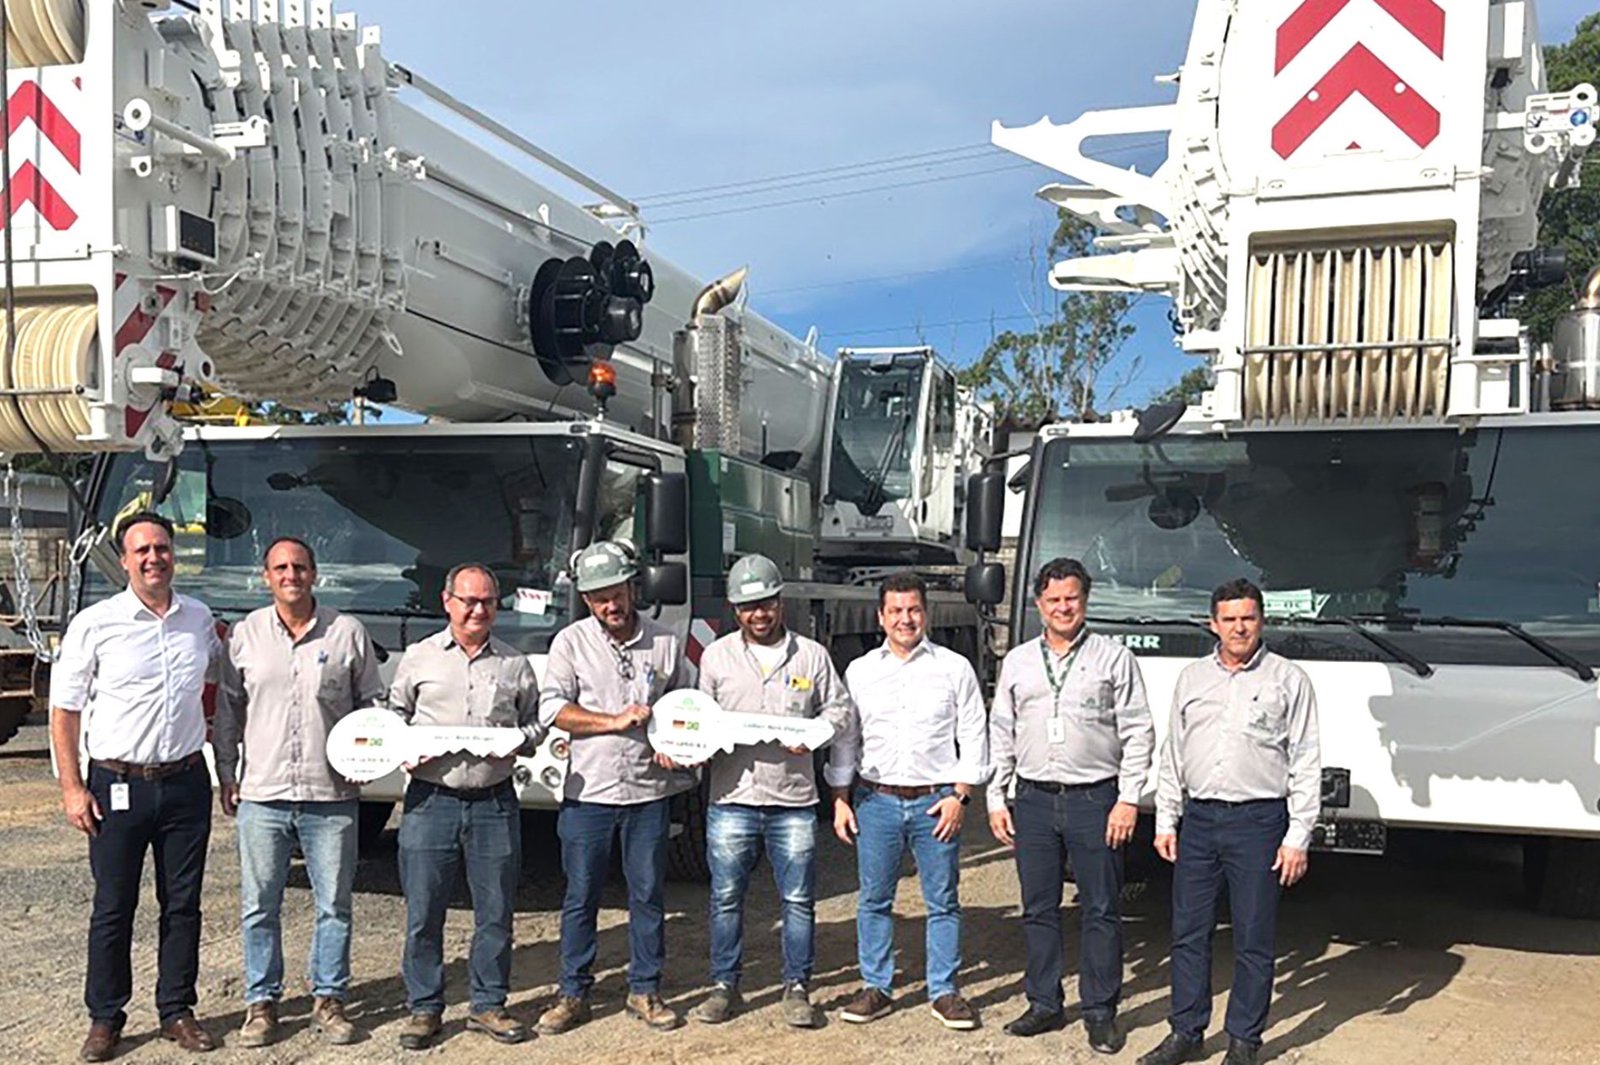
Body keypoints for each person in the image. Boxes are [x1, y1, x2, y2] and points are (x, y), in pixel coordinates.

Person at [49, 513, 225, 1061]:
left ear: (175, 555)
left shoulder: (199, 618)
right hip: (116, 785)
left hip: (186, 783)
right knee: (113, 906)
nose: (154, 558)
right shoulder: (96, 624)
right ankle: (106, 1017)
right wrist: (73, 788)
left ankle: (176, 1010)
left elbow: (217, 682)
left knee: (183, 905)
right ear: (124, 561)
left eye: (162, 548)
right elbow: (64, 710)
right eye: (142, 550)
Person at [1139, 578, 1321, 1065]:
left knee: (1253, 937)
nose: (1239, 628)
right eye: (1229, 619)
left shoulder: (1288, 680)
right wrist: (1166, 820)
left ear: (1262, 621)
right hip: (1199, 821)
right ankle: (1186, 1031)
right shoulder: (1192, 678)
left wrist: (1298, 836)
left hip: (1258, 823)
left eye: (1248, 618)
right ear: (1213, 624)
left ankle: (1244, 1040)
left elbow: (1306, 760)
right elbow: (1174, 753)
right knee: (1189, 932)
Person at [213, 537, 384, 1047]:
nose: (291, 575)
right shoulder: (244, 635)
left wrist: (366, 759)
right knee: (259, 906)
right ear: (266, 576)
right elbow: (228, 710)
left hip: (330, 795)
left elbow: (371, 706)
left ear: (315, 574)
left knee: (334, 905)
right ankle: (261, 1003)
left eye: (300, 567)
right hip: (262, 794)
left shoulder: (348, 632)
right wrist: (227, 773)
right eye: (281, 567)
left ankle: (329, 1000)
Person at [987, 557, 1154, 1054]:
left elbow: (1139, 732)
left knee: (1101, 908)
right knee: (1039, 907)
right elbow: (1002, 731)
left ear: (1085, 601)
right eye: (1054, 599)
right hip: (1033, 800)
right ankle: (1044, 1002)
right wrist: (996, 797)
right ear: (1039, 604)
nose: (1063, 607)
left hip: (1095, 801)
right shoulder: (1018, 661)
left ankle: (1100, 1011)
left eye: (1072, 598)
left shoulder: (1114, 658)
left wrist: (1128, 799)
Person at [536, 540, 695, 1036]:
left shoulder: (665, 642)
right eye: (600, 597)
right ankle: (573, 993)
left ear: (633, 588)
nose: (611, 605)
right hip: (589, 793)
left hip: (648, 793)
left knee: (647, 894)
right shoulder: (570, 643)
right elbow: (552, 709)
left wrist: (678, 745)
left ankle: (645, 990)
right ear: (586, 600)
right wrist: (612, 721)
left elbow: (688, 705)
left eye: (618, 593)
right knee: (581, 895)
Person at [689, 554, 853, 1029]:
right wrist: (694, 747)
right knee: (725, 897)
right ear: (735, 609)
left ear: (780, 602)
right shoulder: (716, 657)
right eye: (748, 607)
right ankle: (724, 985)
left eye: (766, 604)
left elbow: (840, 710)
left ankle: (797, 986)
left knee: (798, 900)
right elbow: (699, 718)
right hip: (732, 797)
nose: (758, 614)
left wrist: (816, 733)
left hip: (793, 800)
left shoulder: (811, 656)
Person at [388, 562, 544, 1051]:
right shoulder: (419, 658)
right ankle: (424, 1008)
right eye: (469, 601)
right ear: (447, 601)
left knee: (495, 912)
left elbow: (536, 725)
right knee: (424, 910)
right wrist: (404, 748)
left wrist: (519, 740)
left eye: (488, 602)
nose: (478, 610)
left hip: (494, 802)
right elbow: (392, 717)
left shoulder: (515, 664)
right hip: (430, 800)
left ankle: (488, 1004)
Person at [828, 571, 990, 1030]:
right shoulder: (860, 671)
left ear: (926, 614)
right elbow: (846, 741)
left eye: (914, 609)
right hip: (875, 802)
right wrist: (840, 799)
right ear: (880, 617)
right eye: (896, 610)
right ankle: (876, 987)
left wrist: (961, 796)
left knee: (942, 901)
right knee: (874, 899)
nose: (905, 619)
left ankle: (944, 991)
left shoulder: (954, 668)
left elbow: (974, 735)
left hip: (936, 804)